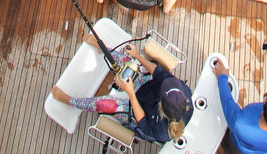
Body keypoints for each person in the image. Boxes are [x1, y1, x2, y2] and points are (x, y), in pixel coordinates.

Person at [52, 38, 193, 144]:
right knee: (127, 61)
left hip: (137, 112)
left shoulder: (162, 132)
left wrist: (130, 92)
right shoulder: (183, 91)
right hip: (147, 86)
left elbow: (142, 120)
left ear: (161, 106)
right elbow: (159, 73)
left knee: (104, 104)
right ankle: (101, 47)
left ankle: (68, 100)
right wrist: (137, 56)